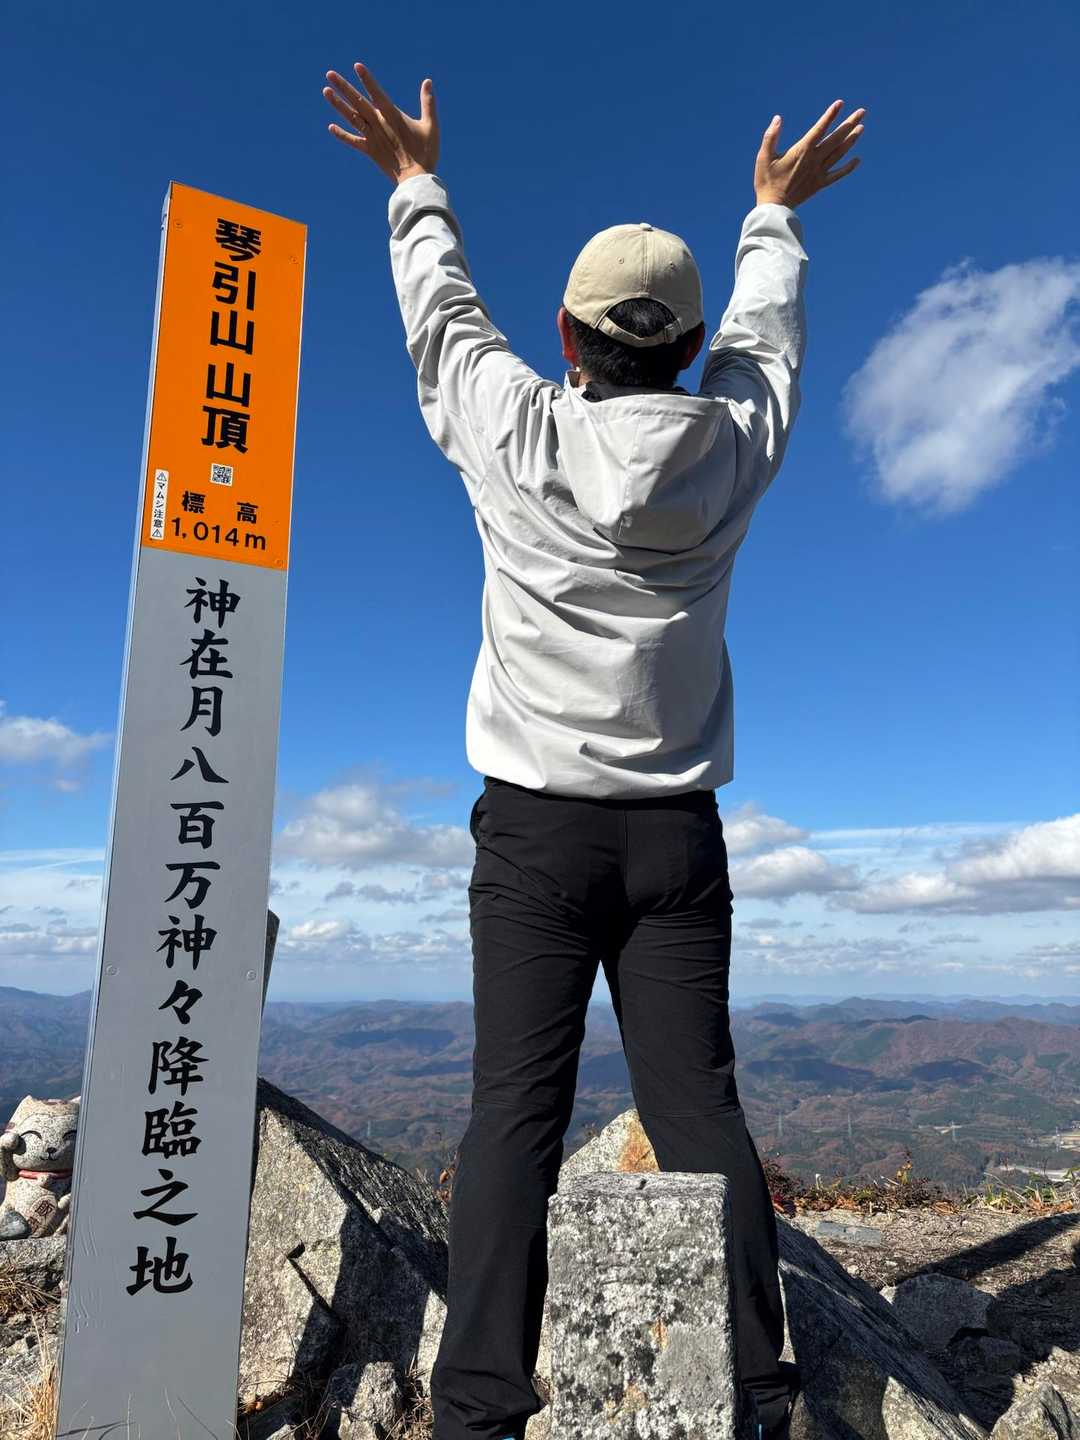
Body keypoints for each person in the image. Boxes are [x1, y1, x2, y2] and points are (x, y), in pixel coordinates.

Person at [322, 61, 865, 1440]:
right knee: (700, 1111)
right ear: (689, 349)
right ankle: (760, 1391)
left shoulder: (516, 430)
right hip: (676, 836)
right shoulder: (730, 451)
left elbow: (445, 323)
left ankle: (478, 1413)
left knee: (514, 1113)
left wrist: (416, 186)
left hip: (533, 835)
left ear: (566, 335)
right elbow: (769, 349)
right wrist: (772, 217)